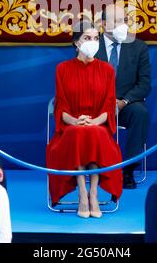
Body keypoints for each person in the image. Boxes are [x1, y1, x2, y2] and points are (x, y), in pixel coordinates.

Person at [46, 21, 122, 218]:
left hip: (99, 126)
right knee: (79, 133)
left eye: (96, 38)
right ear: (76, 43)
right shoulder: (62, 69)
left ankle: (94, 193)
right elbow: (60, 104)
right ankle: (82, 193)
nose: (93, 42)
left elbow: (109, 104)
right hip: (71, 126)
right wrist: (75, 120)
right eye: (87, 38)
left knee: (94, 133)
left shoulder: (107, 70)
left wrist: (95, 121)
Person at [96, 3, 151, 189]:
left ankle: (127, 170)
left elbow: (144, 84)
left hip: (126, 104)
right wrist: (107, 102)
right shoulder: (91, 45)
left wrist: (123, 101)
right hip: (96, 104)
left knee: (140, 113)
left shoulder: (138, 47)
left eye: (124, 20)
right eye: (117, 21)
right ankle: (96, 168)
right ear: (103, 23)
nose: (122, 25)